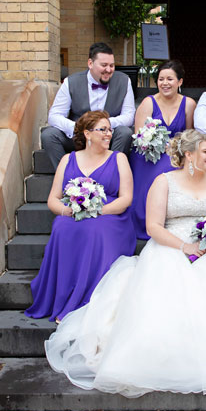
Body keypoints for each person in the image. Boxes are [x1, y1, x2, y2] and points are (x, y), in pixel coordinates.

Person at [45, 129, 206, 397]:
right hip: (171, 246)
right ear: (189, 155)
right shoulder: (164, 182)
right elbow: (153, 226)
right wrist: (185, 247)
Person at [25, 111, 136, 322]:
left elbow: (126, 199)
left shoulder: (118, 158)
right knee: (61, 226)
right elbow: (53, 199)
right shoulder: (68, 160)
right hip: (73, 213)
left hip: (111, 215)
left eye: (109, 130)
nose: (108, 134)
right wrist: (66, 211)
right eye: (102, 130)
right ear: (87, 133)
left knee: (95, 230)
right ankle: (65, 296)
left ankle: (89, 300)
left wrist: (96, 211)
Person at [128, 59, 195, 239]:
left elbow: (188, 135)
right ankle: (145, 221)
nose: (164, 83)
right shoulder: (148, 103)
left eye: (170, 79)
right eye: (161, 79)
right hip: (148, 153)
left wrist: (174, 147)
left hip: (176, 152)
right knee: (161, 168)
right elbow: (139, 136)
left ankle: (171, 220)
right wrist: (156, 145)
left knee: (174, 164)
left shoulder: (188, 104)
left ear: (180, 82)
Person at [41, 42, 135, 169]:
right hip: (79, 137)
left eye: (112, 65)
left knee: (125, 133)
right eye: (104, 65)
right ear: (90, 63)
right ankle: (68, 178)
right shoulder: (71, 82)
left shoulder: (124, 81)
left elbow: (129, 116)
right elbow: (54, 115)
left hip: (108, 136)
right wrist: (77, 128)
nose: (109, 70)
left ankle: (109, 173)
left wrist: (102, 127)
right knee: (49, 135)